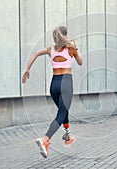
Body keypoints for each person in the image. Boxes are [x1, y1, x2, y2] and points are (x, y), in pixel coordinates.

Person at [22, 26, 83, 158]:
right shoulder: (71, 48)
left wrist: (27, 69)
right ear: (65, 36)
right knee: (61, 113)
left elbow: (36, 53)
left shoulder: (51, 49)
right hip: (66, 83)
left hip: (54, 85)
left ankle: (67, 135)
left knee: (63, 110)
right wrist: (75, 50)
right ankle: (45, 139)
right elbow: (80, 62)